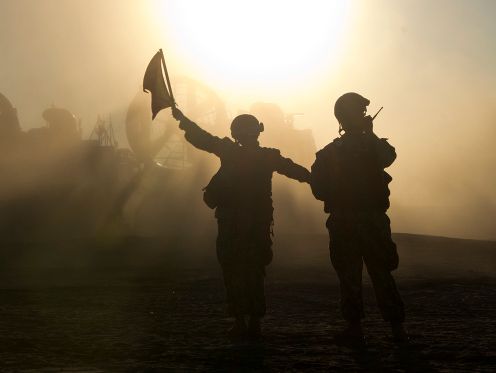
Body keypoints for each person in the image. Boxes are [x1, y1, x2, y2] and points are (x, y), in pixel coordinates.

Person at [171, 107, 310, 341]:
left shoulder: (229, 150)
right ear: (257, 133)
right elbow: (296, 171)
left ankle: (239, 321)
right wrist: (320, 181)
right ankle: (255, 321)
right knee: (255, 270)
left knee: (233, 269)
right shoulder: (268, 156)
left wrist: (183, 120)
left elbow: (201, 138)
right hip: (258, 223)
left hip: (231, 223)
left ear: (236, 134)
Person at [309, 93, 408, 343]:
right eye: (360, 112)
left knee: (352, 275)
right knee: (376, 273)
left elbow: (318, 188)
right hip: (367, 219)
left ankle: (357, 329)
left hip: (347, 220)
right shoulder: (369, 148)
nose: (365, 116)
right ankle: (396, 330)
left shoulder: (331, 152)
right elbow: (389, 157)